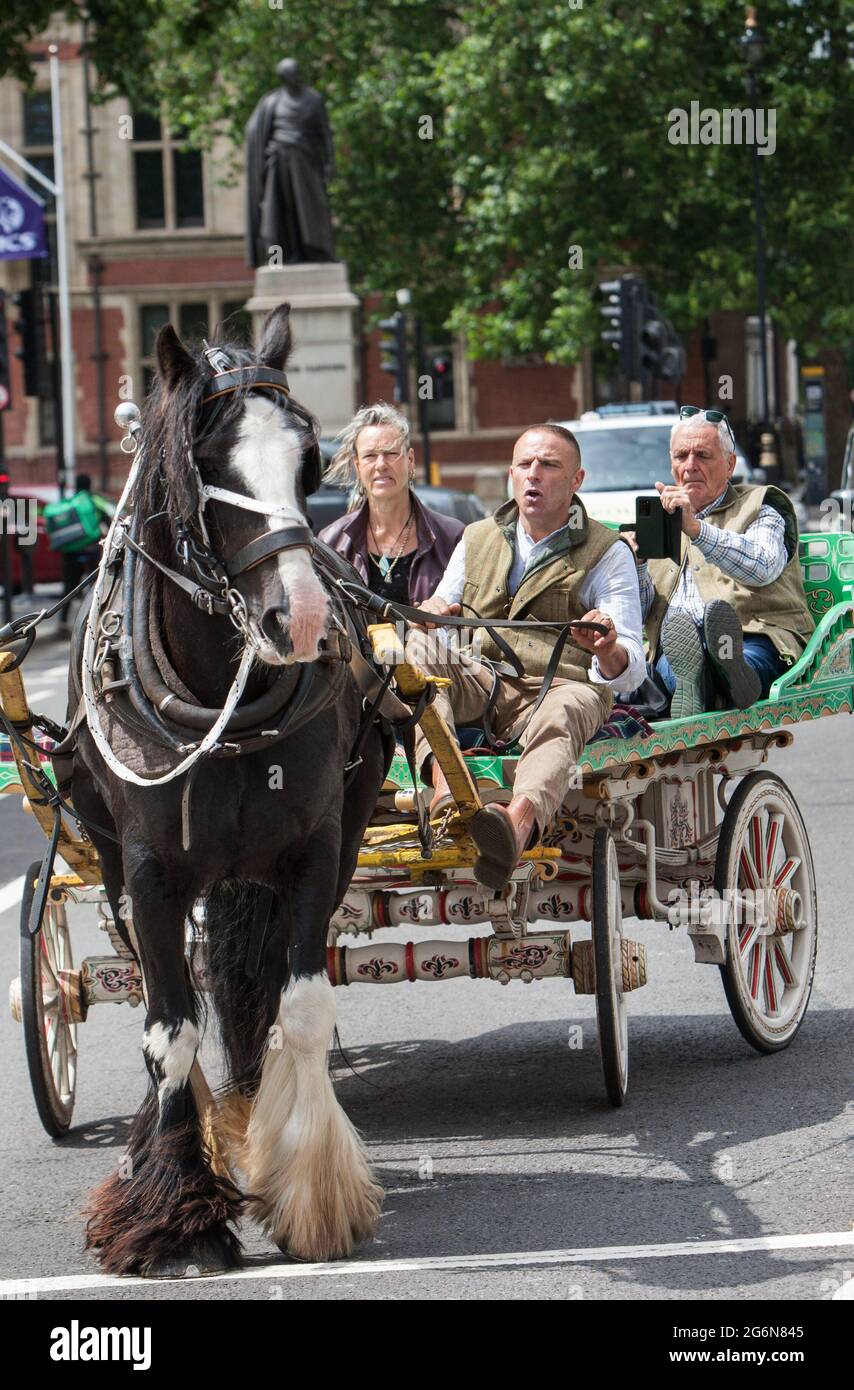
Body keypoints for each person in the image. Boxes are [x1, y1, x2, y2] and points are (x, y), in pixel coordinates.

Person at [410, 422, 646, 891]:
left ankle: (514, 827)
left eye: (549, 465)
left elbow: (631, 672)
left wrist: (608, 649)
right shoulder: (476, 538)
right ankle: (446, 790)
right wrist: (429, 614)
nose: (533, 474)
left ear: (577, 480)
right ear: (510, 475)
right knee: (412, 650)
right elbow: (439, 616)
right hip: (484, 681)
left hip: (564, 686)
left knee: (566, 710)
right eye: (524, 464)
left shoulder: (607, 551)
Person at [620, 407, 814, 718]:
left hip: (755, 635)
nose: (690, 465)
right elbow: (642, 612)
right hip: (679, 646)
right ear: (671, 464)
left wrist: (696, 530)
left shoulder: (762, 506)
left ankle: (728, 678)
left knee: (744, 656)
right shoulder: (658, 520)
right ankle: (711, 686)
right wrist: (638, 565)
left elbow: (761, 566)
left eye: (703, 456)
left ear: (729, 464)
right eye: (681, 456)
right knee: (674, 662)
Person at [319, 403, 464, 606]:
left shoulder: (452, 537)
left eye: (391, 453)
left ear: (410, 460)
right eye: (370, 456)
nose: (381, 465)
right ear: (358, 467)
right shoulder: (332, 543)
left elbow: (470, 617)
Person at [56, 474, 114, 627]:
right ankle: (97, 619)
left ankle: (62, 620)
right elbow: (109, 524)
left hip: (71, 553)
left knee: (69, 587)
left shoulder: (69, 502)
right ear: (89, 485)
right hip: (90, 551)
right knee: (95, 586)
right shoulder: (95, 501)